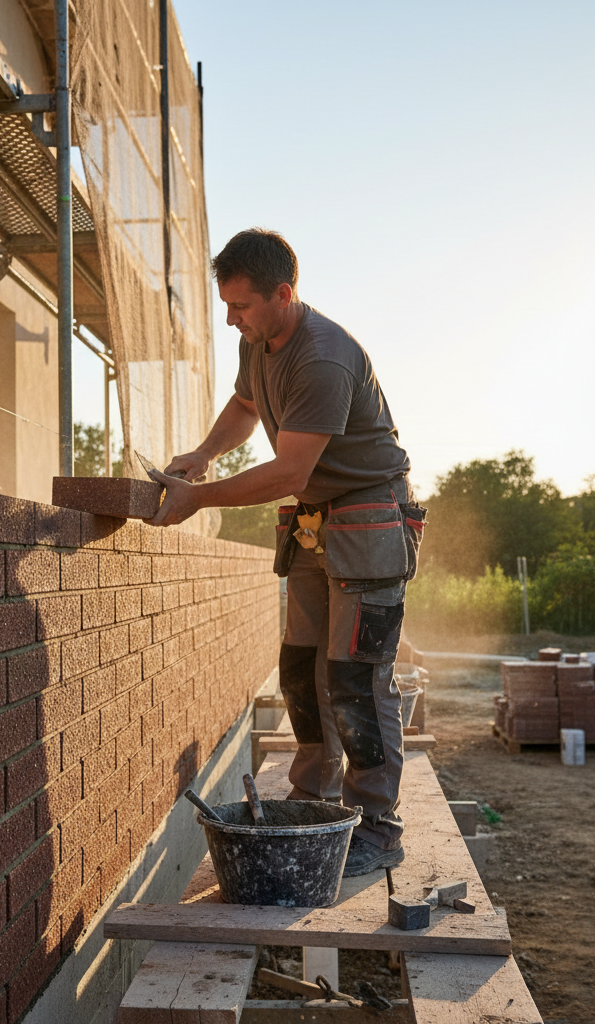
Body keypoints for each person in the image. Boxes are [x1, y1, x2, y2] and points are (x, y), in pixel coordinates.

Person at [145, 228, 424, 875]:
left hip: (367, 522)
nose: (230, 318)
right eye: (227, 305)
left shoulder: (322, 356)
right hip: (316, 525)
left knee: (355, 679)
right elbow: (245, 405)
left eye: (240, 306)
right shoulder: (259, 341)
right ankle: (315, 800)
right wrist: (203, 454)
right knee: (302, 669)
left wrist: (198, 496)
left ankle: (378, 827)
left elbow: (289, 472)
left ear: (283, 294)